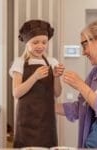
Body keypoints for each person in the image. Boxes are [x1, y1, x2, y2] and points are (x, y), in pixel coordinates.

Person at [9, 19, 65, 148]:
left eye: (44, 42)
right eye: (35, 42)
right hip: (26, 121)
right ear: (27, 43)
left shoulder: (52, 62)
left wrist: (56, 77)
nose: (40, 46)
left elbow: (57, 92)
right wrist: (35, 77)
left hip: (47, 121)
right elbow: (16, 93)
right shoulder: (19, 62)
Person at [56, 20, 97, 148]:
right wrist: (48, 107)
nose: (83, 52)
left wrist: (81, 85)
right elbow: (81, 107)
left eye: (85, 45)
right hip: (93, 142)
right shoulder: (95, 73)